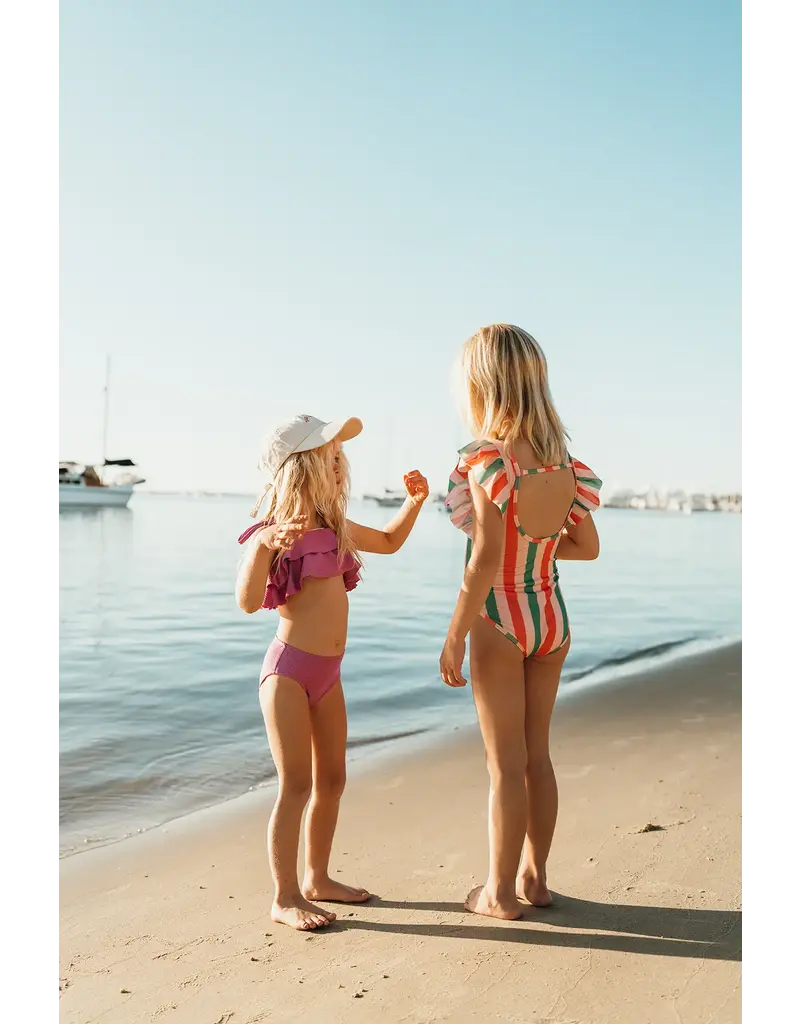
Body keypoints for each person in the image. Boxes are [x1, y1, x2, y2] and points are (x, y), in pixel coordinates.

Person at [235, 414, 429, 931]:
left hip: (330, 675)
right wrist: (261, 550)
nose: (341, 464)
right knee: (296, 784)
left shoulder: (336, 529)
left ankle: (317, 877)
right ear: (299, 469)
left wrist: (414, 504)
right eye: (330, 457)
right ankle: (284, 895)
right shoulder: (275, 534)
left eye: (341, 457)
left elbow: (388, 542)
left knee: (334, 780)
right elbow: (248, 601)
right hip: (289, 674)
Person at [439, 325, 602, 920]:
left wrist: (456, 631)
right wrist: (538, 545)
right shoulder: (565, 467)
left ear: (482, 386)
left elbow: (483, 557)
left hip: (499, 616)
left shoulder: (488, 459)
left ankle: (499, 893)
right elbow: (586, 547)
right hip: (551, 616)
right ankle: (536, 879)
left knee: (503, 765)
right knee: (537, 756)